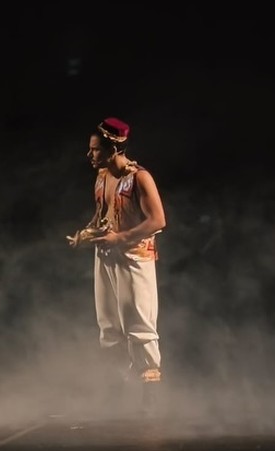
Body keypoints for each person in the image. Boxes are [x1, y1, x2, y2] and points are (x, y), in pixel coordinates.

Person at [67, 117, 167, 403]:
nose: (90, 155)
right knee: (109, 325)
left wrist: (120, 239)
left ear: (113, 149)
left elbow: (158, 220)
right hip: (107, 255)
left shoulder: (139, 178)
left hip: (134, 257)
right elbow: (103, 215)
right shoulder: (102, 177)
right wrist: (86, 233)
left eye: (96, 149)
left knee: (140, 326)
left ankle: (150, 399)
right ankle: (118, 395)